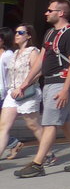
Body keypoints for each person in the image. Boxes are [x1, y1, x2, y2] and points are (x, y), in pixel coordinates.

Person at [14, 0, 70, 177]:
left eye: (50, 10)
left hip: (61, 83)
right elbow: (41, 61)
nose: (46, 13)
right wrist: (26, 82)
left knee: (50, 123)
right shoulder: (50, 33)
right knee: (65, 122)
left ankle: (37, 164)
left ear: (61, 13)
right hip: (50, 83)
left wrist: (65, 89)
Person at [1, 24, 45, 166]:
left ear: (29, 35)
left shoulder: (33, 51)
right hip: (12, 93)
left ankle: (48, 153)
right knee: (3, 127)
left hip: (28, 92)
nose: (17, 35)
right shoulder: (14, 53)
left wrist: (23, 86)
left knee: (33, 125)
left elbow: (39, 71)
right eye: (16, 32)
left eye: (21, 32)